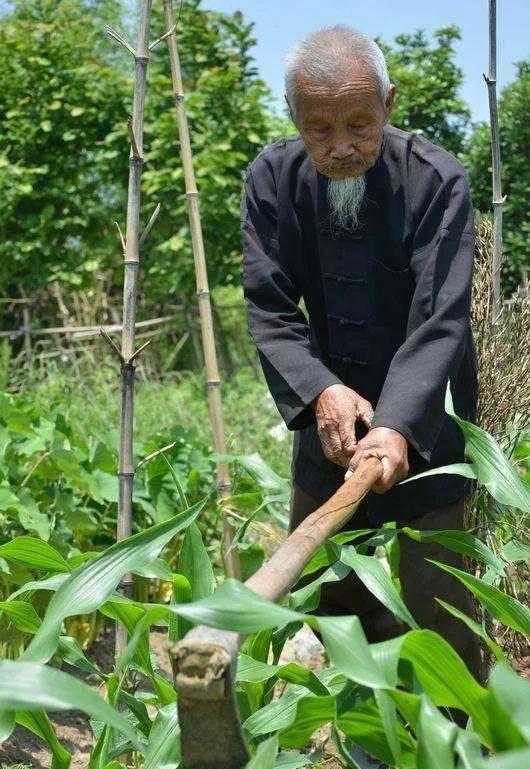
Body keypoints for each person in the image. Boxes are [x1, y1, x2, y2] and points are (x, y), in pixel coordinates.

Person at [240, 25, 484, 751]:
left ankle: (450, 746)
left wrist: (399, 423)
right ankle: (362, 745)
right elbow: (270, 308)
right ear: (294, 119)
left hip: (428, 425)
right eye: (320, 129)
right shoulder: (270, 181)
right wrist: (321, 390)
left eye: (359, 124)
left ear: (388, 103)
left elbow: (440, 319)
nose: (341, 144)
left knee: (438, 610)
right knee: (333, 600)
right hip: (327, 430)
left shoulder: (437, 181)